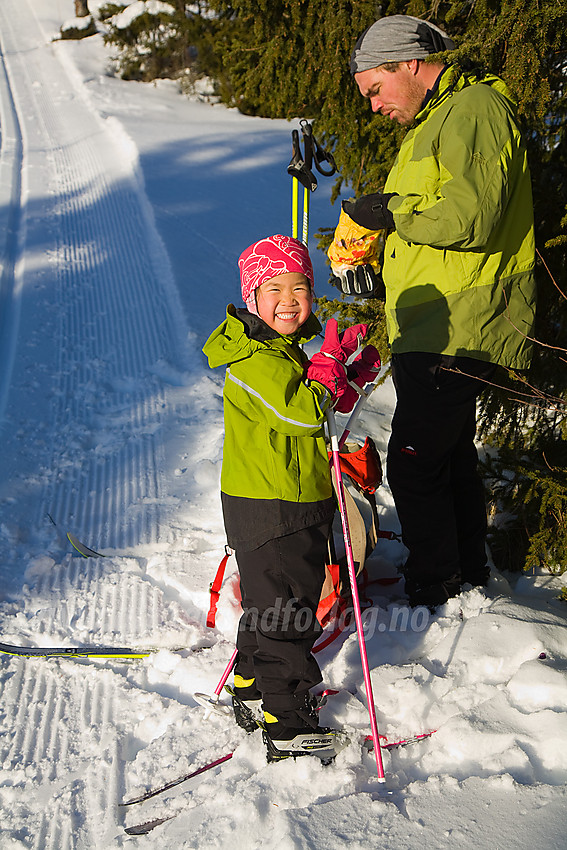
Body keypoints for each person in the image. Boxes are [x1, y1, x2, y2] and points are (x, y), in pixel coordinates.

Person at [328, 14, 536, 609]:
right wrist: (380, 270)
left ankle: (436, 590)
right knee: (447, 460)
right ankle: (462, 582)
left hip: (460, 319)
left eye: (375, 89)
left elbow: (472, 217)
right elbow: (440, 223)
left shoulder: (472, 109)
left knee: (416, 465)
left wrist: (388, 212)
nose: (372, 106)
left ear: (410, 63)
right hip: (439, 319)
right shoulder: (438, 121)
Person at [202, 234, 379, 761]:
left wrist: (340, 375)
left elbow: (311, 407)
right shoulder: (252, 361)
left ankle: (253, 690)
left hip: (286, 501)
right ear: (252, 297)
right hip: (273, 507)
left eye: (299, 288)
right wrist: (323, 377)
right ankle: (289, 725)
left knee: (269, 603)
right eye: (273, 287)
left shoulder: (280, 350)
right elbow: (301, 412)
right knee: (287, 614)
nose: (288, 300)